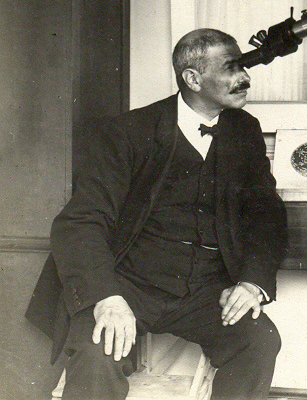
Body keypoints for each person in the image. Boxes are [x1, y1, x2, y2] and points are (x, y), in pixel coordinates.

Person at [27, 28, 288, 400]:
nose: (244, 77)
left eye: (243, 67)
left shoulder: (245, 130)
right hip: (129, 283)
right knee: (96, 351)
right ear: (192, 78)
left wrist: (252, 282)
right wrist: (107, 297)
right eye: (231, 68)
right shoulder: (128, 131)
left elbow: (266, 214)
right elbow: (82, 221)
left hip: (205, 290)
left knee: (258, 341)